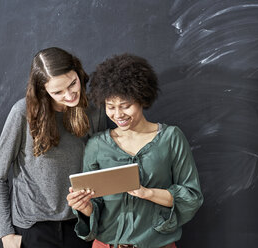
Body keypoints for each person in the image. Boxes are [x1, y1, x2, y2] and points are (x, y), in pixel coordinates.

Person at [67, 54, 204, 248]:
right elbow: (95, 205)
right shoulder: (96, 145)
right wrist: (84, 207)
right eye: (111, 107)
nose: (118, 114)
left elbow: (191, 196)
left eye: (125, 106)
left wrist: (147, 193)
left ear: (141, 99)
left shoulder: (171, 138)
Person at [0, 47, 106, 248]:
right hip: (33, 228)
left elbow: (101, 169)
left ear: (78, 74)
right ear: (43, 90)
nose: (69, 95)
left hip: (79, 225)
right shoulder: (22, 114)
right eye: (58, 91)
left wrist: (93, 213)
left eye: (72, 84)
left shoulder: (93, 112)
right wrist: (6, 234)